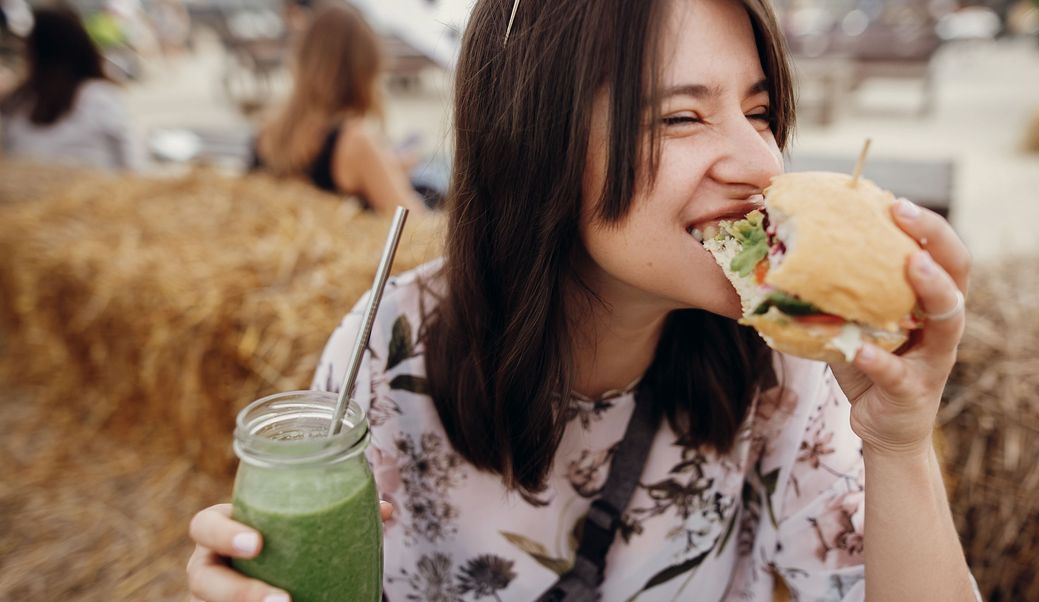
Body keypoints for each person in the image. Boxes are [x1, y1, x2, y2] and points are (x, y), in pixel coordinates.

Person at [188, 0, 981, 600]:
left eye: (760, 111)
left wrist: (899, 441)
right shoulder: (387, 352)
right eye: (681, 116)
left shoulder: (787, 361)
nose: (760, 161)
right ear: (538, 143)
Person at [249, 2, 426, 214]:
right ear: (363, 72)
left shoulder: (266, 132)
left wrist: (387, 167)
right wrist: (393, 175)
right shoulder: (355, 140)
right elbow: (414, 222)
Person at [0, 6, 140, 171]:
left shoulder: (16, 103)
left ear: (32, 51)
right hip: (98, 192)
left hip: (34, 193)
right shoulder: (100, 96)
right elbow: (131, 162)